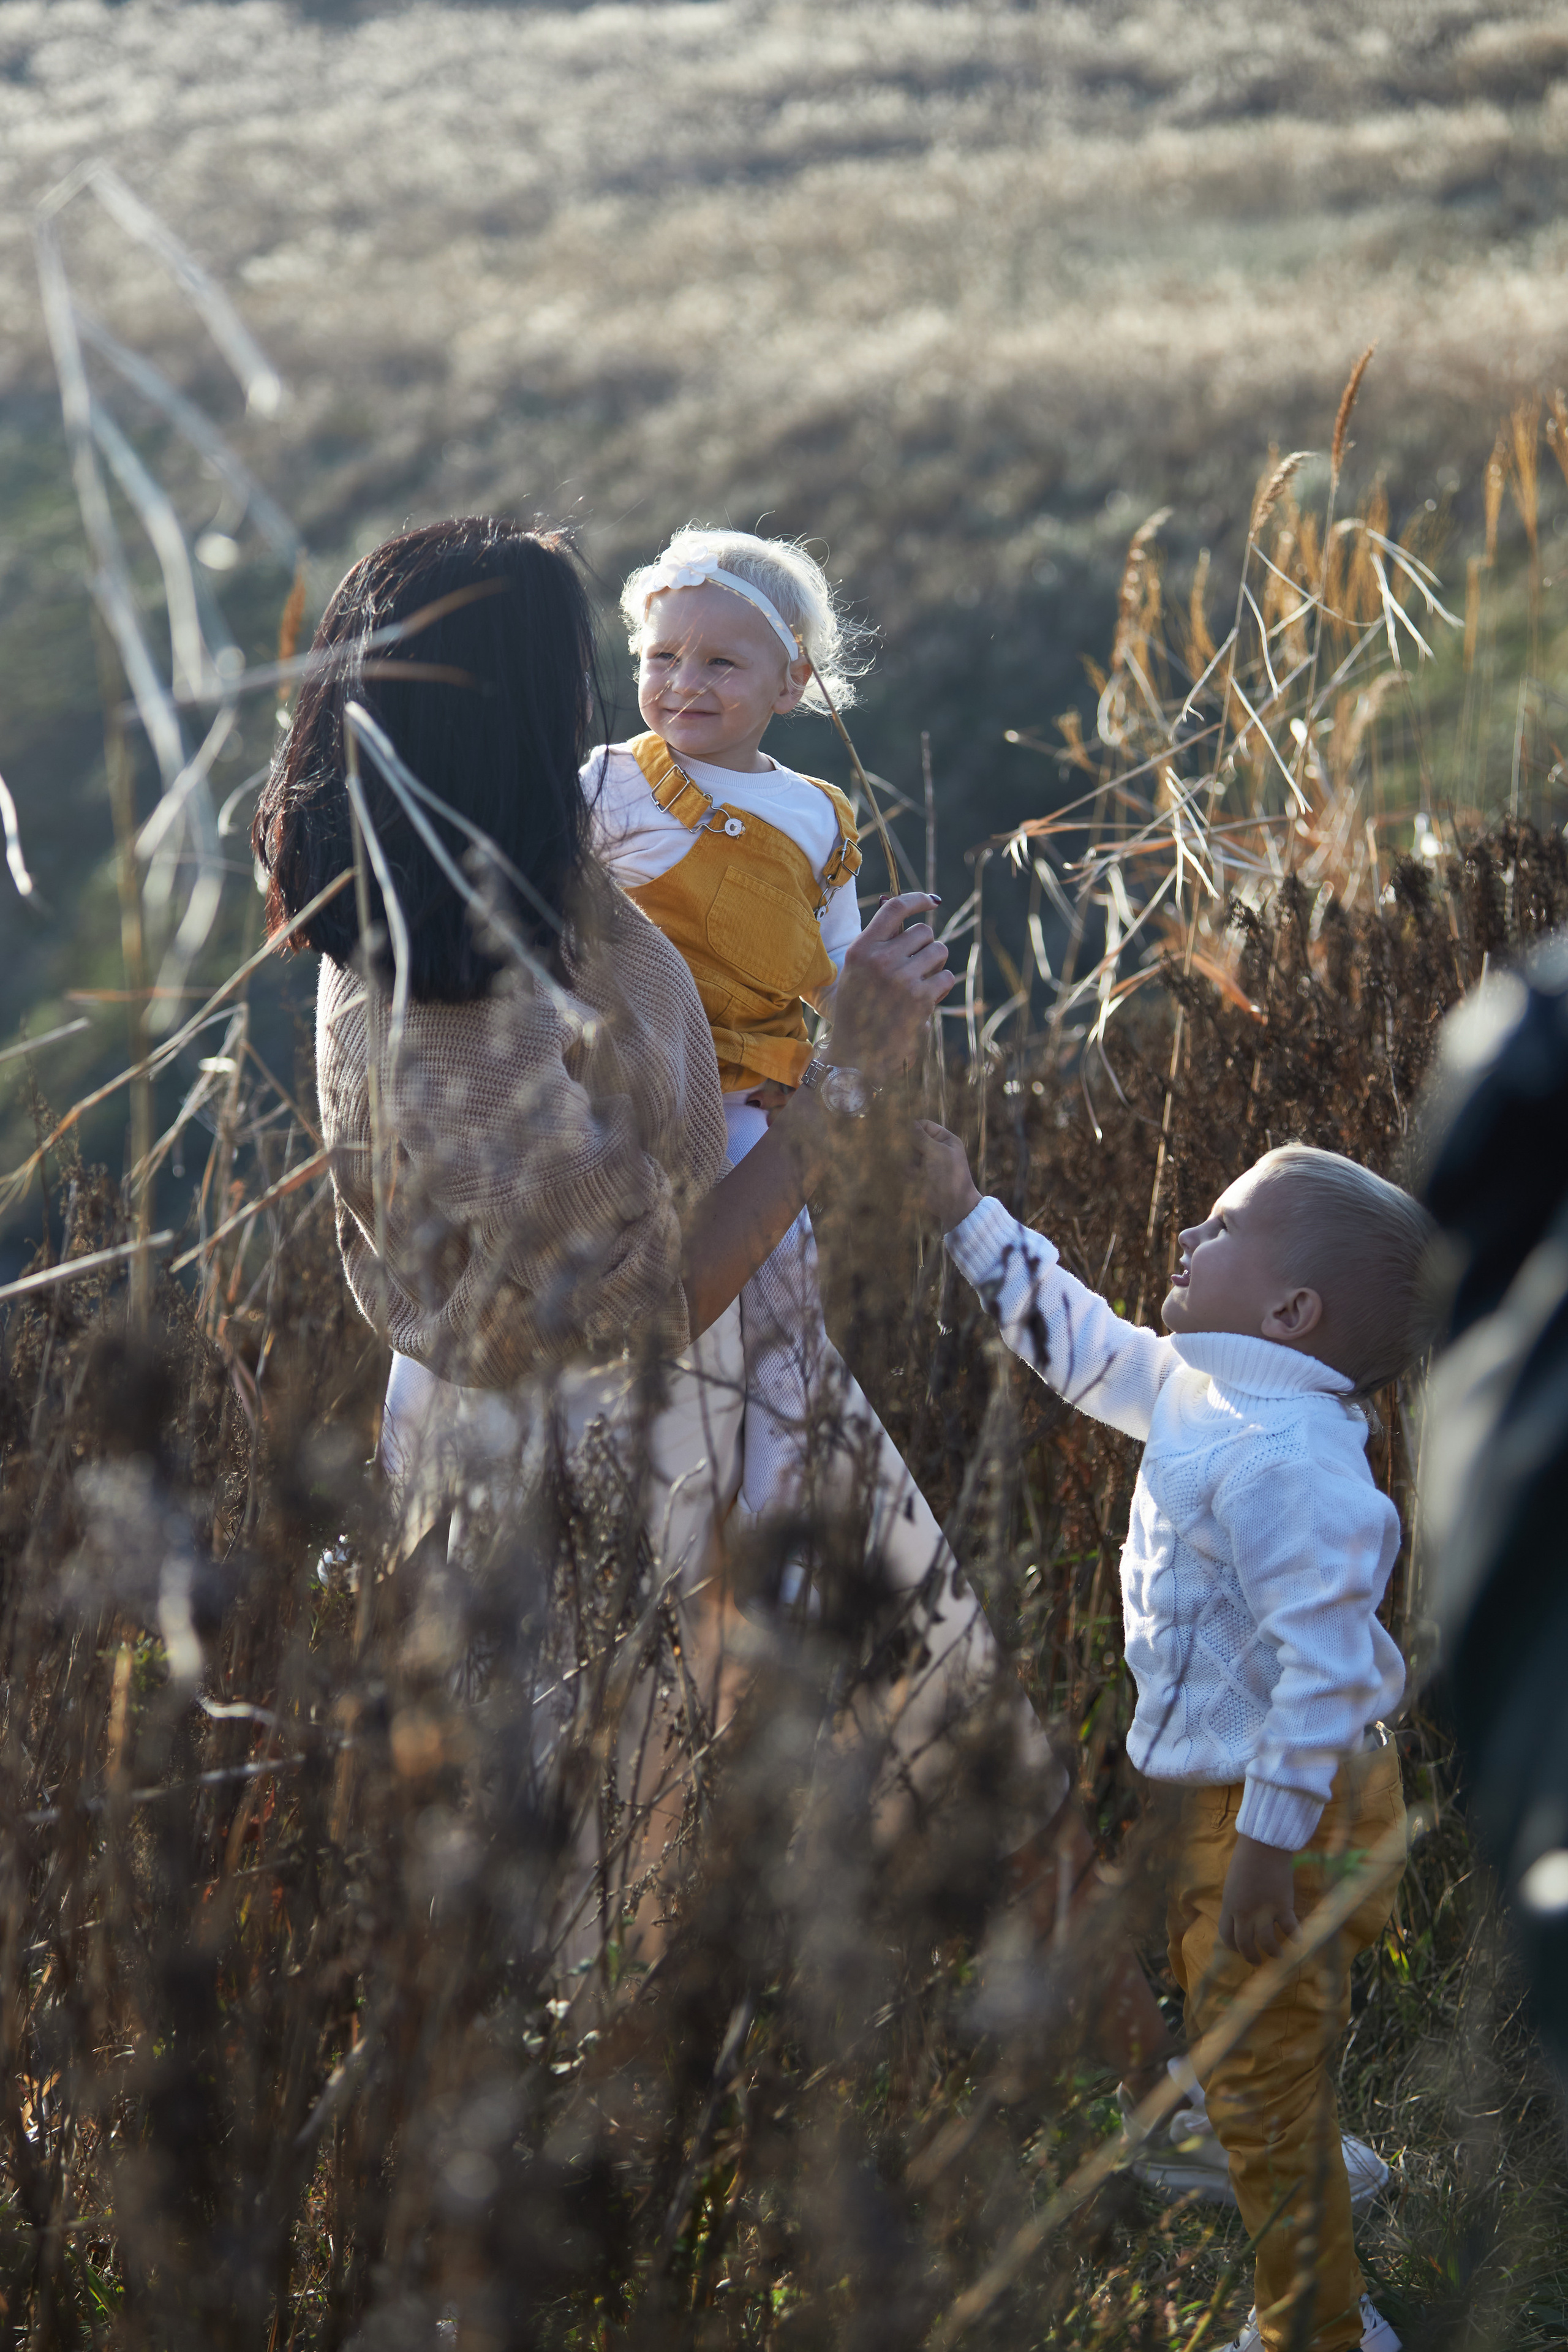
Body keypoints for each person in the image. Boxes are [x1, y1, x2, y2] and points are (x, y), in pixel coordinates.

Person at [252, 518, 1173, 2061]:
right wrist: (846, 1091)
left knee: (938, 1732)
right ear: (510, 722)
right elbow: (619, 1313)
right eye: (589, 686)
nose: (623, 715)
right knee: (637, 1857)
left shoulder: (526, 875)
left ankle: (1176, 2120)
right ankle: (639, 2217)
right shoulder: (447, 1002)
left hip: (716, 1383)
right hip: (615, 1439)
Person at [914, 1123, 1438, 2352]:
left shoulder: (1287, 1462)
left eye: (1222, 1227)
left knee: (1251, 2054)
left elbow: (1318, 1679)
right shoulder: (1203, 1390)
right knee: (1247, 2022)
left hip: (1289, 1807)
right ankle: (1291, 2123)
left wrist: (1265, 1841)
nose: (1186, 1235)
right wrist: (963, 1214)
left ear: (1292, 1309)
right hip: (1245, 1802)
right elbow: (1078, 1347)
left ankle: (1321, 2326)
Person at [584, 527, 865, 1540]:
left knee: (786, 1306)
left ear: (791, 684)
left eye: (721, 663)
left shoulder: (818, 819)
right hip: (625, 1099)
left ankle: (782, 1522)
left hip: (750, 1107)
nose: (684, 684)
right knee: (636, 1308)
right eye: (663, 657)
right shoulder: (609, 784)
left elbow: (836, 969)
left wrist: (860, 1078)